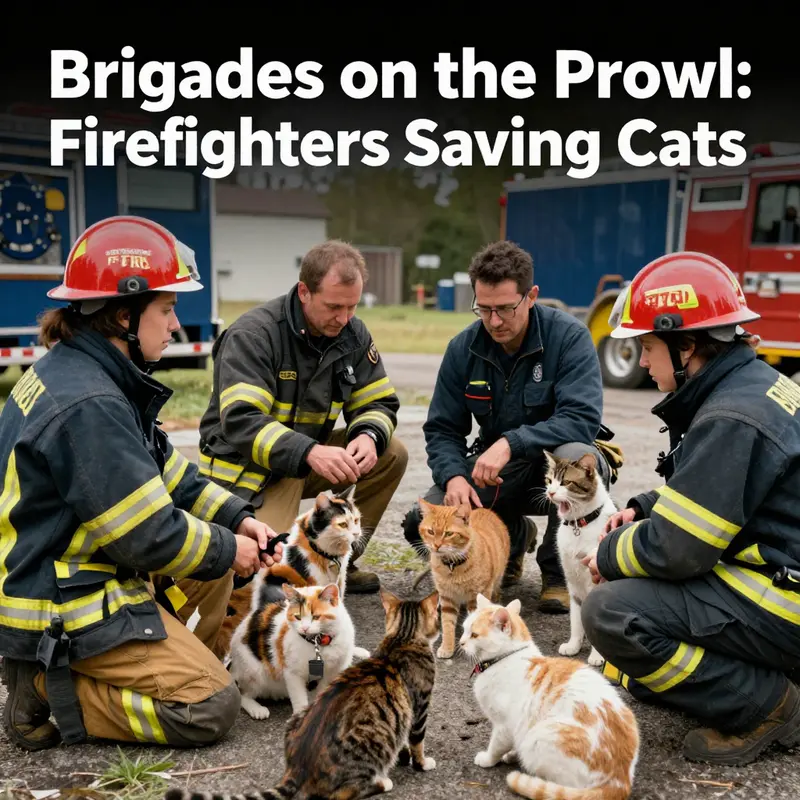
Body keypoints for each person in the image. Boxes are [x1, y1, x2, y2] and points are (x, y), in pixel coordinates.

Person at [0, 215, 284, 751]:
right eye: (167, 308)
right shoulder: (92, 404)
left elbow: (174, 478)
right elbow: (147, 536)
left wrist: (240, 520)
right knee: (209, 708)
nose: (175, 325)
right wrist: (233, 549)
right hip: (62, 604)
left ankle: (169, 660)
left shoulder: (93, 376)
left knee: (215, 568)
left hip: (75, 575)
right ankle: (44, 685)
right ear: (124, 314)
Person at [581, 251, 800, 766]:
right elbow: (731, 493)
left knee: (612, 611)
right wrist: (643, 506)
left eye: (647, 346)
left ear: (688, 346)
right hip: (782, 575)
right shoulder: (753, 389)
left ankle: (770, 705)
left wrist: (609, 554)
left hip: (786, 600)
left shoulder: (731, 414)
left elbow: (680, 550)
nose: (640, 361)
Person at [402, 240, 622, 612]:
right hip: (497, 474)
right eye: (483, 309)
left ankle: (555, 574)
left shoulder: (568, 338)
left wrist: (510, 442)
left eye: (505, 308)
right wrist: (455, 476)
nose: (495, 321)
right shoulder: (463, 348)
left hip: (555, 468)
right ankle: (514, 538)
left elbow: (580, 420)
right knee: (418, 523)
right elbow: (442, 429)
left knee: (573, 455)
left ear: (531, 296)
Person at [197, 239, 407, 594]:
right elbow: (242, 422)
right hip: (252, 471)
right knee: (265, 581)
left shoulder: (351, 334)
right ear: (304, 292)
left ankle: (336, 562)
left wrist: (368, 436)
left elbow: (379, 400)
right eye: (334, 306)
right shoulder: (254, 335)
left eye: (352, 307)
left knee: (392, 455)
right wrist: (310, 452)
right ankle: (289, 569)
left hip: (305, 459)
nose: (344, 318)